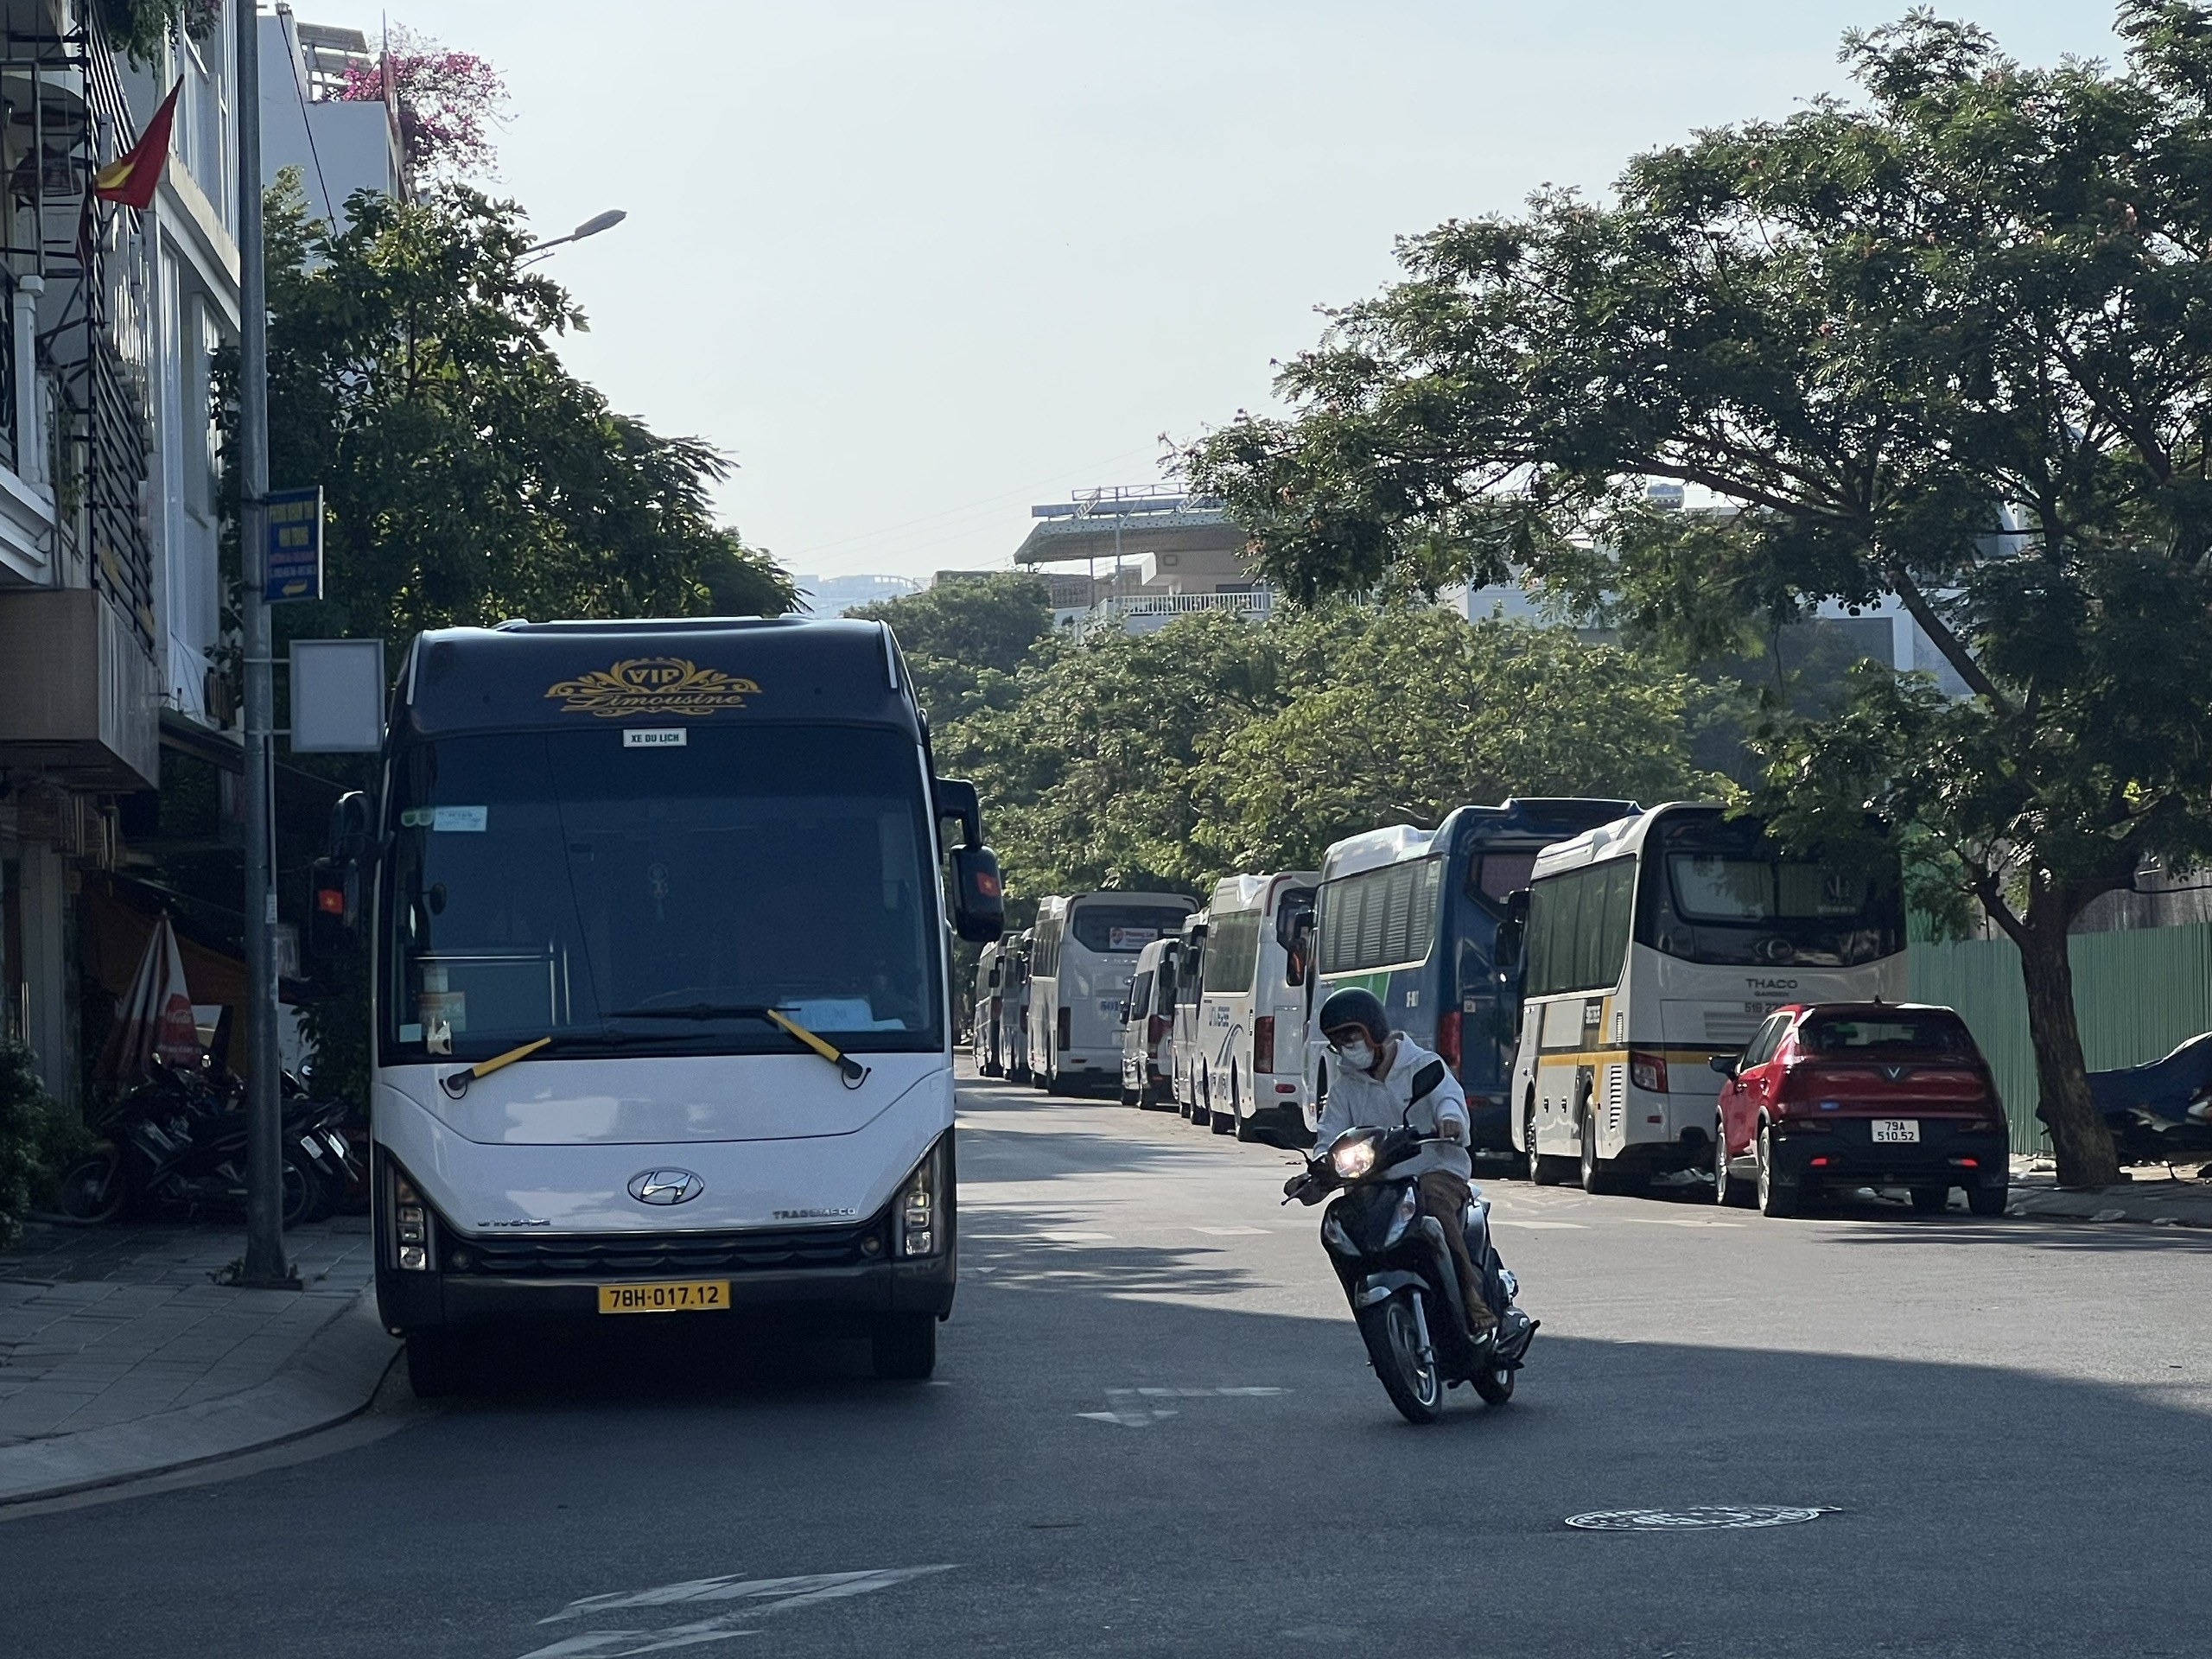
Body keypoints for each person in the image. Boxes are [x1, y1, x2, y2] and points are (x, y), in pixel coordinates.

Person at [1298, 986, 1496, 1334]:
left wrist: (1450, 1120)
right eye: (1338, 1039)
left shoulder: (1422, 1065)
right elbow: (1329, 1135)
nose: (1347, 1045)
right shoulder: (1345, 1085)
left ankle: (1471, 1293)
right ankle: (1368, 1314)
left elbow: (1447, 1097)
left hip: (1434, 1170)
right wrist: (1319, 1169)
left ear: (1373, 1029)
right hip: (1375, 1182)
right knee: (1340, 1226)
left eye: (1351, 1035)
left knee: (1433, 1203)